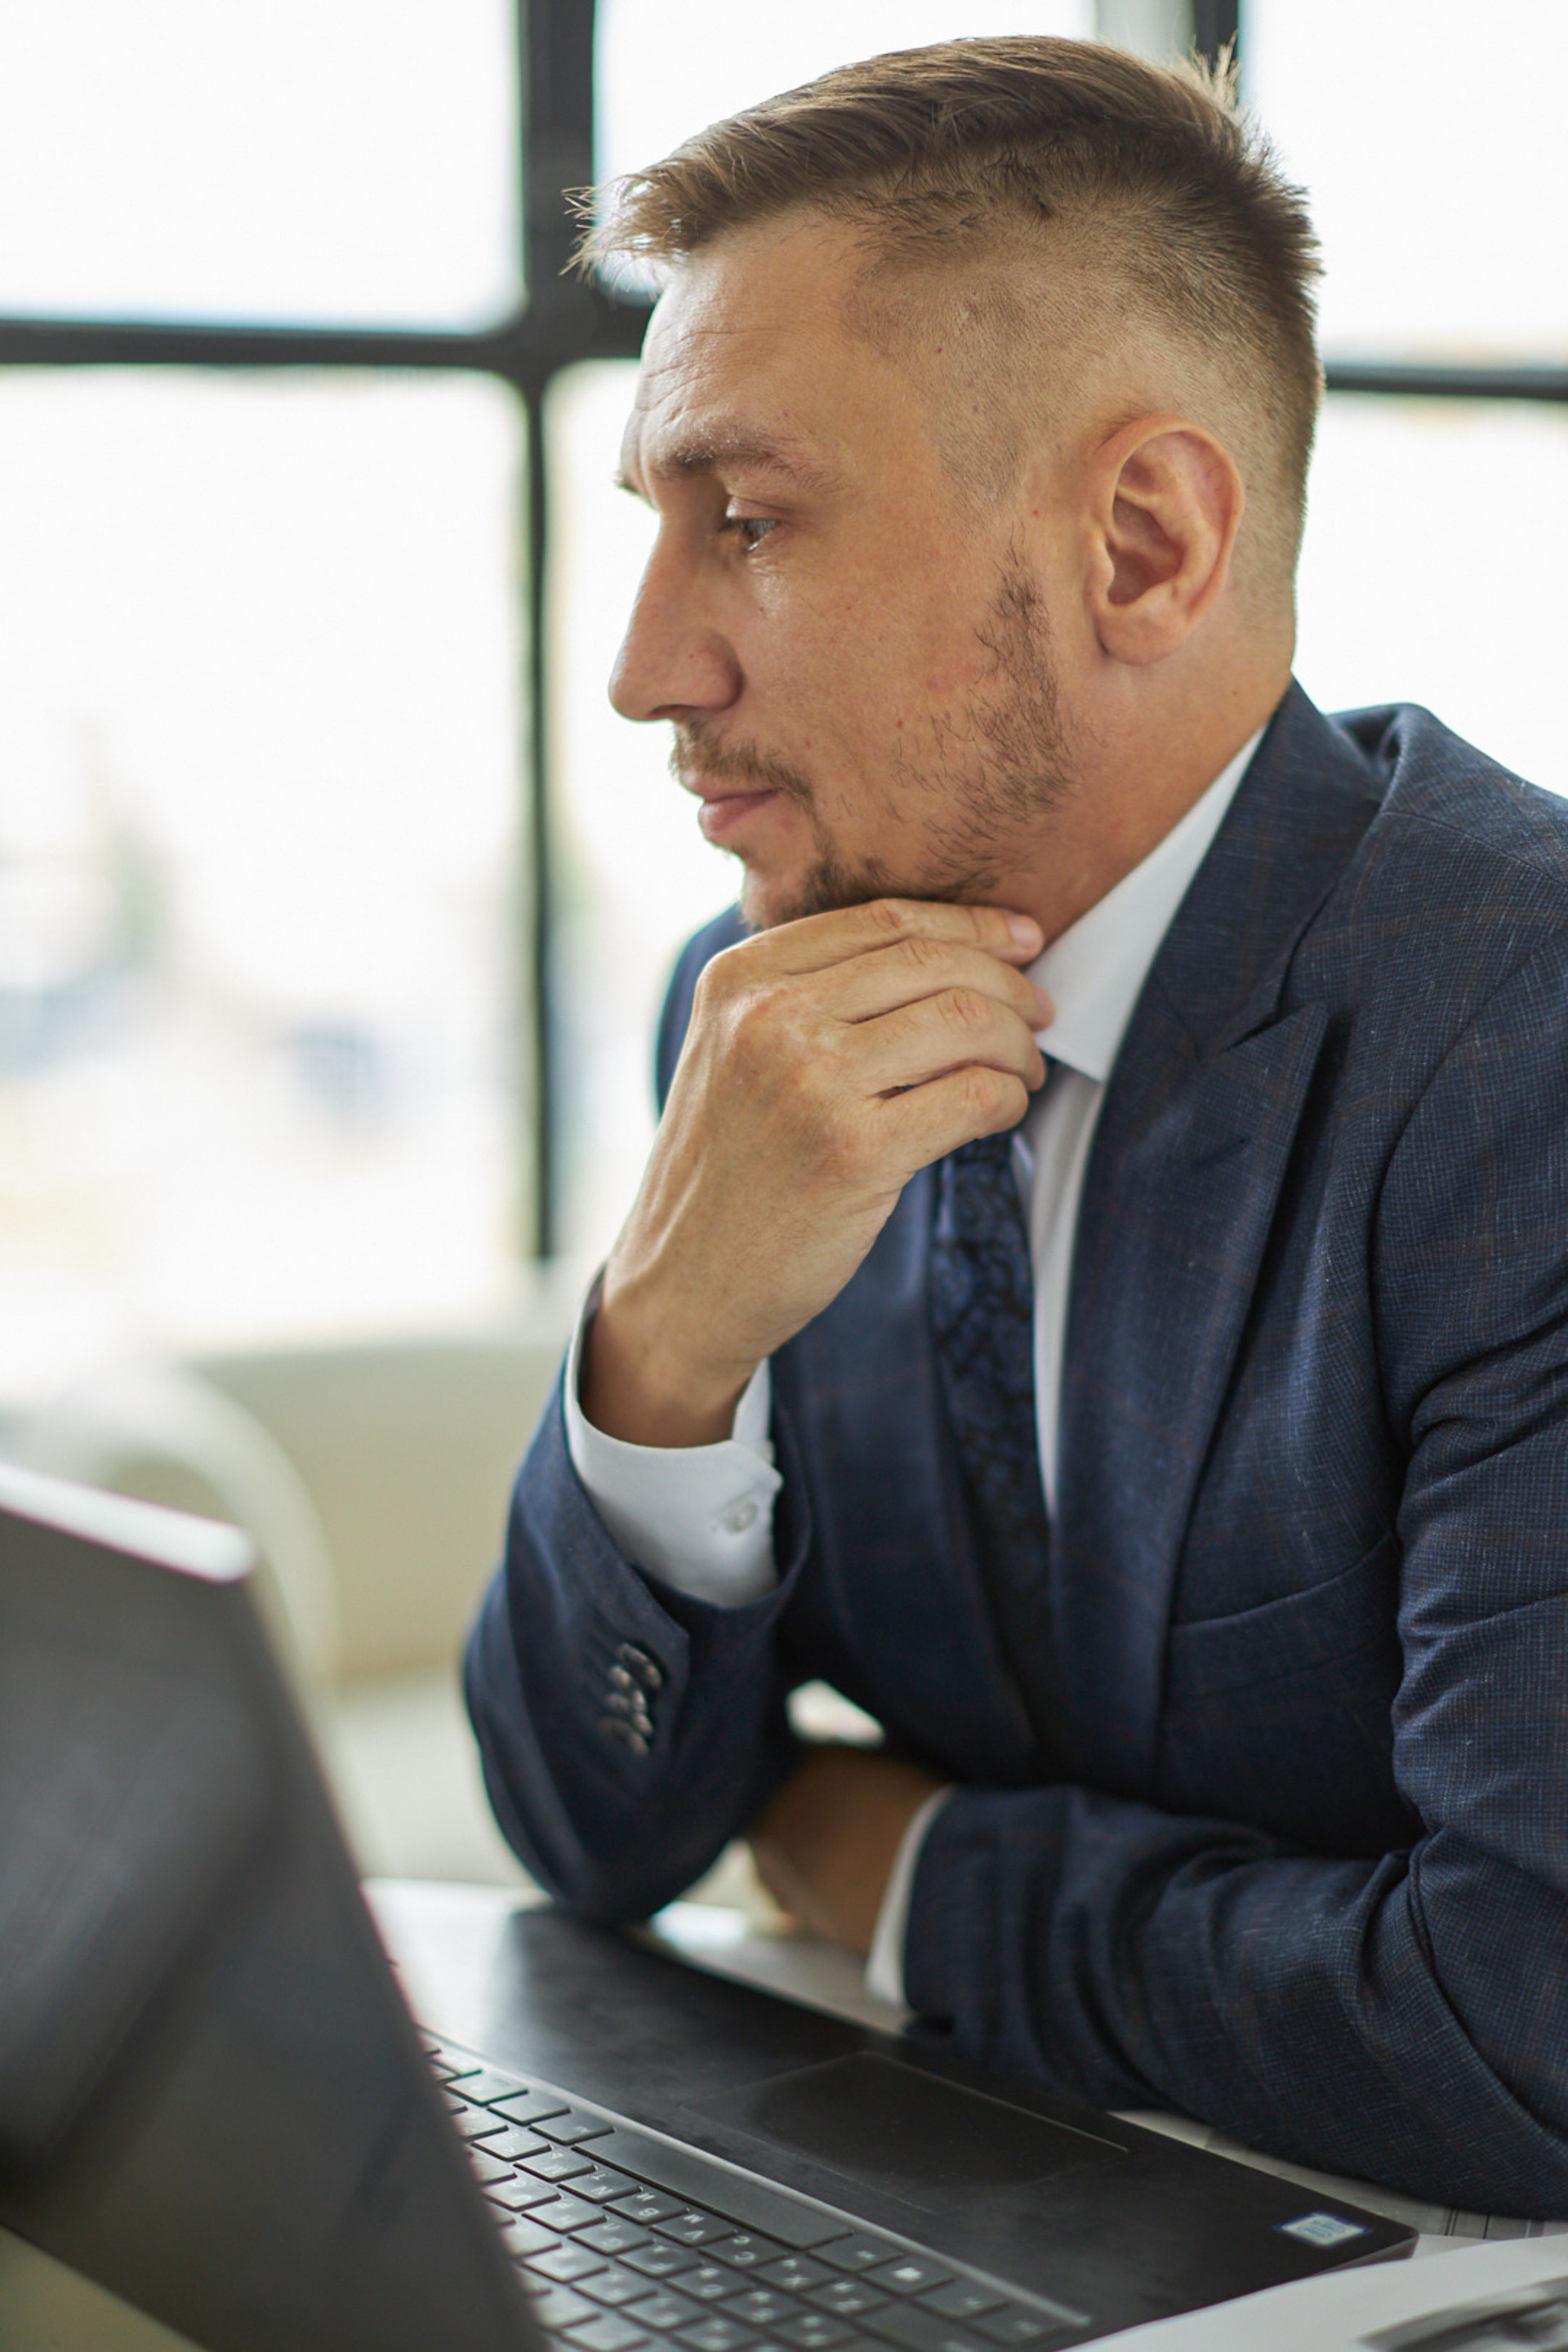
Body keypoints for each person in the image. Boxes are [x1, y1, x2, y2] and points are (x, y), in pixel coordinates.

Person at [465, 37, 1568, 2216]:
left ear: (1142, 544)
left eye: (747, 520)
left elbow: (1525, 2035)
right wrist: (663, 1356)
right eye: (657, 528)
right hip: (939, 2217)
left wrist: (908, 1869)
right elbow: (593, 1839)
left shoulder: (1520, 1046)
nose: (645, 667)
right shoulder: (757, 1010)